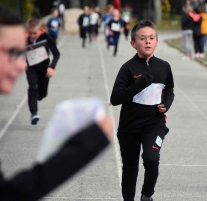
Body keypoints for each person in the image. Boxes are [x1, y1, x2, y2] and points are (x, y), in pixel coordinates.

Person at [0, 5, 113, 199]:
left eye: (21, 54)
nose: (20, 63)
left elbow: (9, 194)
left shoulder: (46, 38)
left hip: (44, 71)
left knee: (39, 91)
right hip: (36, 74)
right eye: (12, 52)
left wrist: (86, 145)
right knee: (33, 89)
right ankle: (33, 110)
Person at [110, 20, 174, 201]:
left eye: (151, 38)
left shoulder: (164, 66)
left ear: (156, 41)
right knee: (130, 168)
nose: (148, 41)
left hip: (155, 123)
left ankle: (147, 195)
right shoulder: (128, 68)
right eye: (142, 38)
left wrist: (167, 104)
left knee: (151, 158)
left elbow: (169, 89)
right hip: (130, 126)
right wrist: (139, 84)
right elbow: (115, 99)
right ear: (133, 44)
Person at [25, 18, 60, 125]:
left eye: (34, 33)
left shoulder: (46, 37)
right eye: (30, 33)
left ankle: (41, 93)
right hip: (31, 68)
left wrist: (51, 67)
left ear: (40, 30)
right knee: (32, 87)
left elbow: (56, 54)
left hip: (44, 68)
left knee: (41, 94)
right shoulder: (24, 38)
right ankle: (34, 113)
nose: (32, 36)